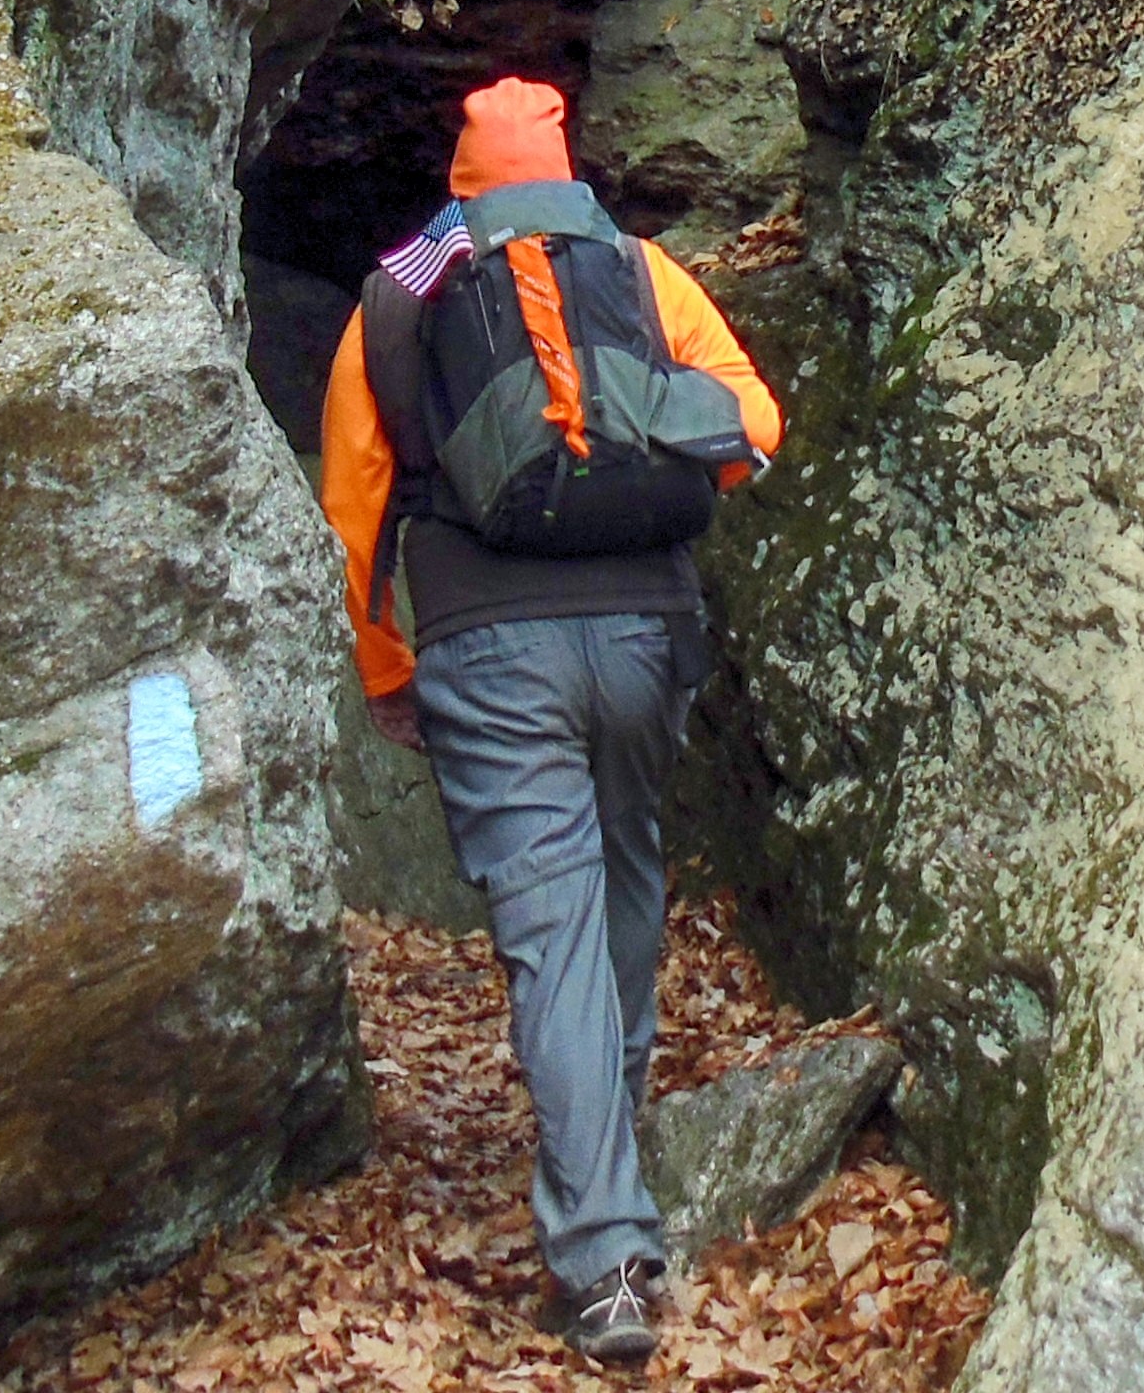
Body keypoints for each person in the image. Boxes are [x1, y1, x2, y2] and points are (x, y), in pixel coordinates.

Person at [316, 75, 785, 1369]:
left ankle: (604, 1257)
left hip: (487, 649)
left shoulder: (397, 297)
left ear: (463, 180)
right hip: (644, 636)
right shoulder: (641, 271)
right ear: (568, 170)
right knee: (625, 878)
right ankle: (607, 1159)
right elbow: (754, 425)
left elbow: (356, 511)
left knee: (552, 927)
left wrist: (385, 670)